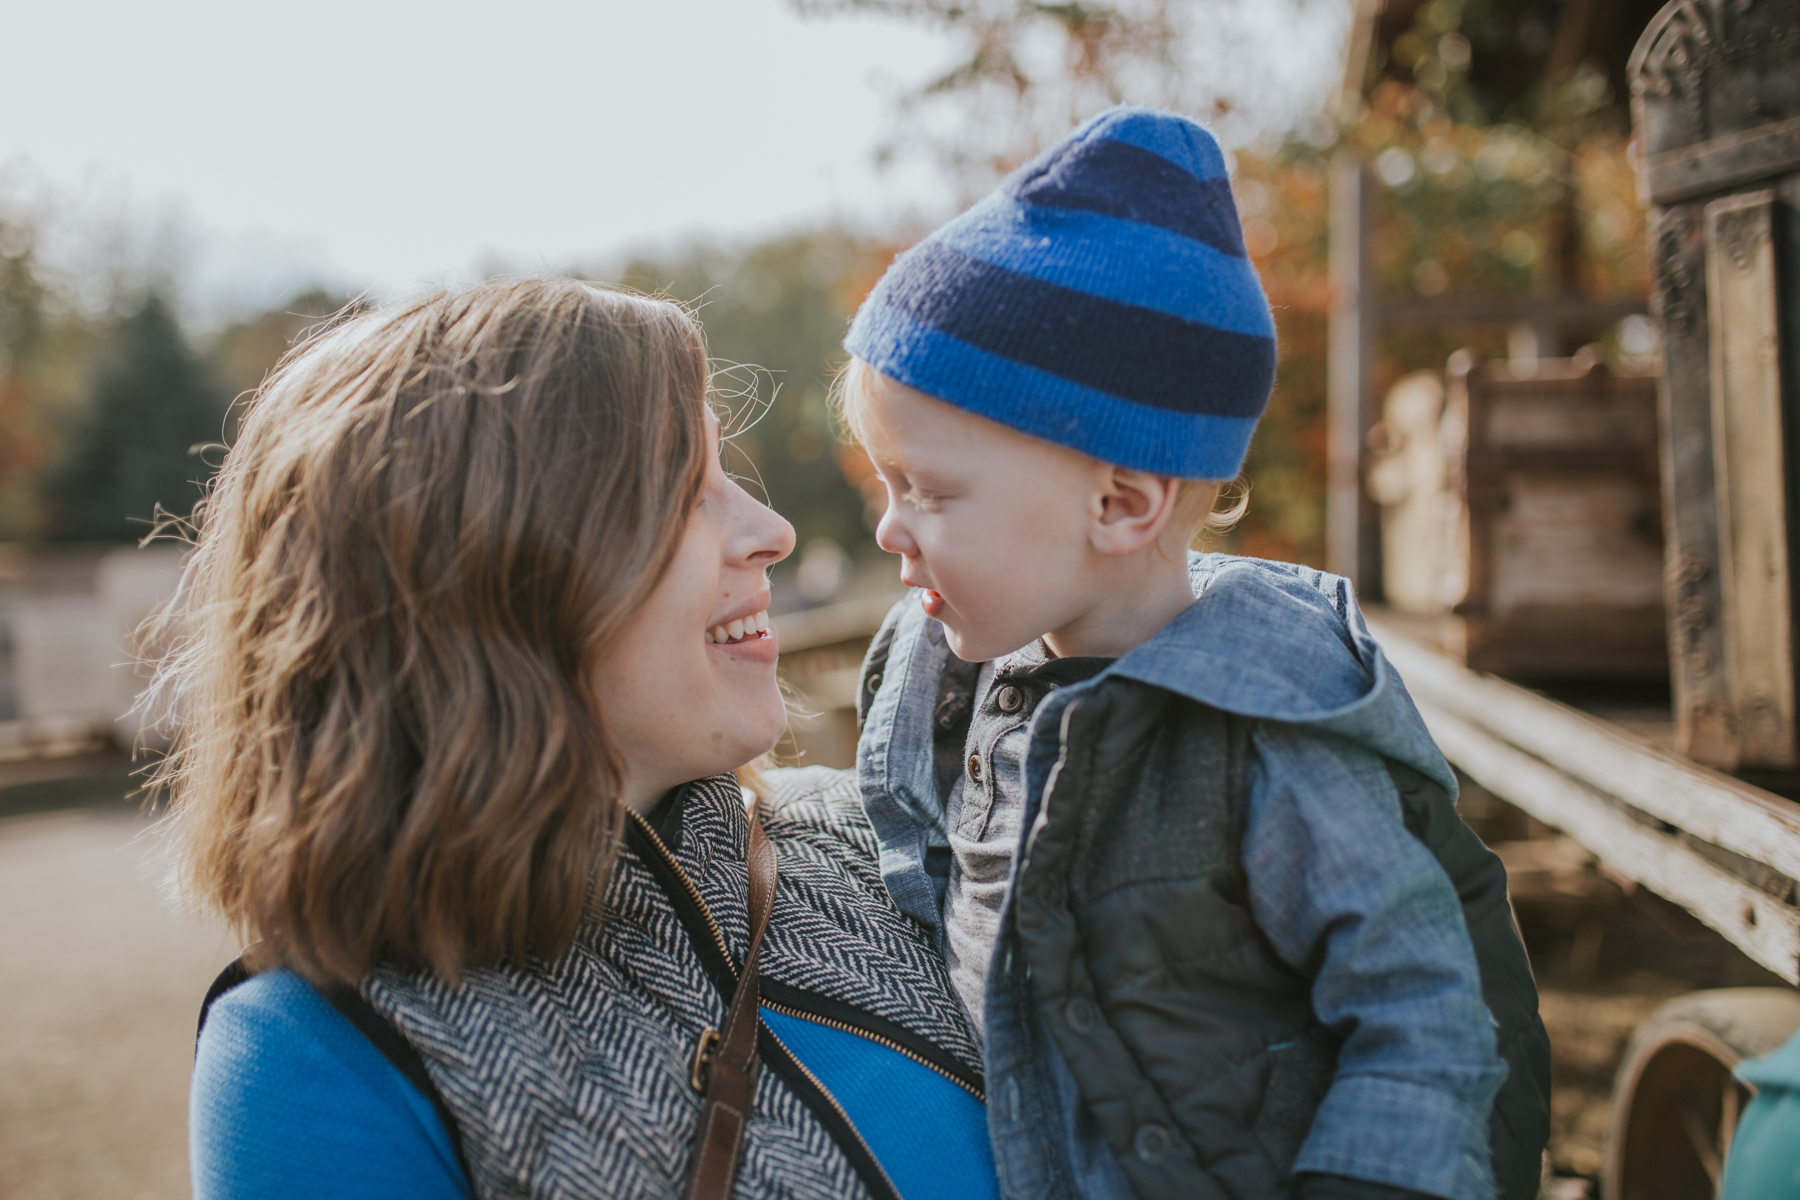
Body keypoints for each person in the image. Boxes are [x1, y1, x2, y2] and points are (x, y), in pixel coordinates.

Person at [837, 107, 1551, 1200]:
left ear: (1121, 503)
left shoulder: (1268, 735)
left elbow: (1424, 1019)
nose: (889, 527)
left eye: (928, 491)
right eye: (888, 485)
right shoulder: (950, 688)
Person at [172, 280, 999, 1199]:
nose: (773, 532)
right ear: (486, 572)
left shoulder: (892, 848)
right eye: (685, 489)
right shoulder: (323, 1056)